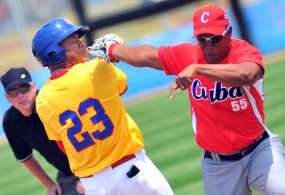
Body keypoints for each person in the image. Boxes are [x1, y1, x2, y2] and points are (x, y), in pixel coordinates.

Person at [89, 4, 285, 195]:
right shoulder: (188, 55)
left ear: (229, 32)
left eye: (214, 39)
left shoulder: (243, 52)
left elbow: (247, 74)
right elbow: (147, 56)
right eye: (202, 39)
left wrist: (198, 69)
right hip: (217, 164)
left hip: (259, 150)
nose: (208, 45)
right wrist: (113, 49)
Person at [31, 18, 174, 195]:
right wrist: (113, 48)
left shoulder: (42, 99)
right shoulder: (97, 69)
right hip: (132, 171)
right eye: (74, 41)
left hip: (94, 186)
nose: (82, 43)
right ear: (54, 52)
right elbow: (122, 87)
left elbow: (63, 146)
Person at [1, 67, 84, 195]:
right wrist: (49, 185)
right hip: (67, 174)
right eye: (13, 92)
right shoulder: (11, 122)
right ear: (7, 98)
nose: (20, 95)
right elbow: (25, 158)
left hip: (91, 166)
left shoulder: (50, 103)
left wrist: (87, 176)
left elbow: (83, 137)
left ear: (34, 87)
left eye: (24, 88)